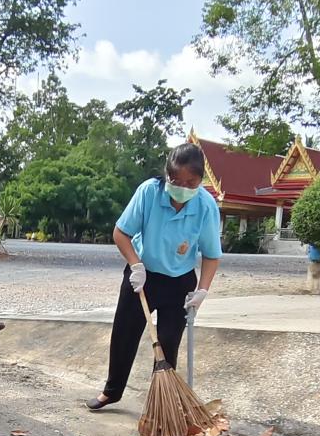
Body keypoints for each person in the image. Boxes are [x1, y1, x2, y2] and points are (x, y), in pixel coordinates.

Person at [86, 143, 221, 411]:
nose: (181, 187)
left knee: (168, 342)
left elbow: (211, 255)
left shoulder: (206, 206)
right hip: (143, 276)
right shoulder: (149, 192)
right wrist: (135, 265)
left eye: (190, 182)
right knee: (124, 334)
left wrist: (202, 291)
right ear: (166, 175)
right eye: (176, 180)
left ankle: (160, 404)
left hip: (180, 281)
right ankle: (111, 392)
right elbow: (120, 233)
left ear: (200, 180)